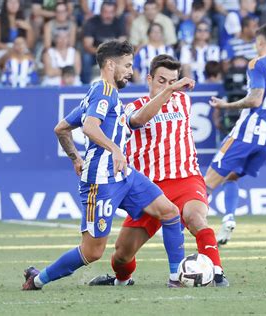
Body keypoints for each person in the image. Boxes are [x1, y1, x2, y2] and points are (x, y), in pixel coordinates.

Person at [22, 40, 185, 290]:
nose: (131, 71)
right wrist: (115, 149)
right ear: (110, 65)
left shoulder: (102, 93)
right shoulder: (104, 92)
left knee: (170, 212)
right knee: (93, 251)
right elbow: (89, 127)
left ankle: (177, 279)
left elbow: (62, 128)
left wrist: (76, 158)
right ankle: (38, 279)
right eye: (127, 65)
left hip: (124, 175)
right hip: (101, 181)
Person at [88, 54, 229, 287]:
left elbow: (172, 97)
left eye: (172, 81)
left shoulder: (183, 101)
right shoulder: (131, 109)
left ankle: (217, 272)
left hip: (186, 179)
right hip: (150, 190)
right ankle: (122, 279)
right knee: (122, 253)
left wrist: (173, 90)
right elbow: (141, 119)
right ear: (149, 79)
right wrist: (170, 90)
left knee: (196, 218)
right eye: (162, 81)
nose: (168, 86)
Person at [204, 23, 266, 245]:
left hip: (247, 133)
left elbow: (255, 99)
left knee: (207, 182)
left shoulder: (257, 63)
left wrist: (225, 105)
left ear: (260, 41)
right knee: (232, 176)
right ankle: (228, 217)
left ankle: (177, 226)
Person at [81, 1, 126, 84]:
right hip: (95, 54)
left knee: (125, 56)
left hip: (114, 55)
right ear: (101, 12)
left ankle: (122, 82)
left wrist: (111, 55)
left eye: (111, 12)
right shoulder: (92, 22)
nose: (108, 15)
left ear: (115, 12)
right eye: (106, 12)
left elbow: (122, 44)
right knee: (86, 57)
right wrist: (102, 53)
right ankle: (86, 84)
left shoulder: (119, 23)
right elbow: (87, 45)